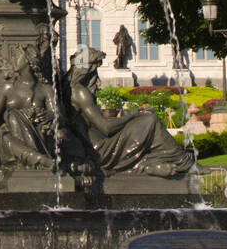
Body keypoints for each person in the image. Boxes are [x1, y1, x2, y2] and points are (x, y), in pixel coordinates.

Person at [67, 47, 194, 178]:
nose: (96, 77)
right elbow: (106, 128)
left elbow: (93, 122)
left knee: (143, 124)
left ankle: (149, 165)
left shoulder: (68, 88)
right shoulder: (80, 92)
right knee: (150, 120)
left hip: (91, 146)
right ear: (89, 69)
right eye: (96, 69)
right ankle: (184, 163)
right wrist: (134, 113)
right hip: (99, 150)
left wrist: (127, 116)